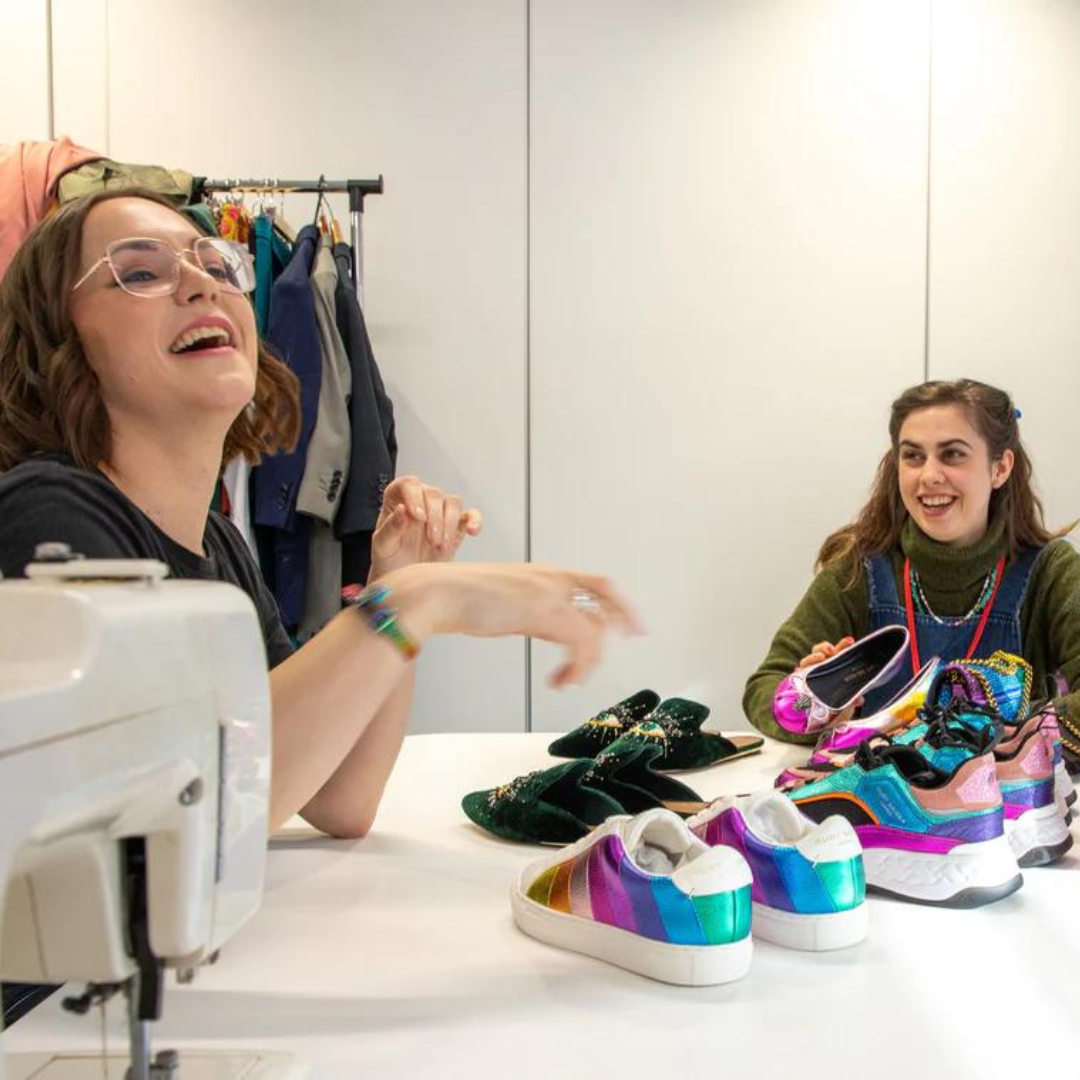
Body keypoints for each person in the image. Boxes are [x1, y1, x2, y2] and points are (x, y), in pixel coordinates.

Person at [0, 188, 640, 841]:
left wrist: (397, 583)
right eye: (140, 272)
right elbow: (183, 819)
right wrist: (418, 601)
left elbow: (338, 797)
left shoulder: (216, 544)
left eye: (217, 267)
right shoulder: (46, 513)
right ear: (57, 336)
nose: (202, 285)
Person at [743, 379, 1080, 750]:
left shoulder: (1051, 571)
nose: (929, 475)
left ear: (1000, 468)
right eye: (913, 456)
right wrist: (812, 708)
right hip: (878, 798)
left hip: (998, 804)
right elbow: (765, 688)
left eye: (952, 454)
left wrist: (989, 744)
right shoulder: (860, 569)